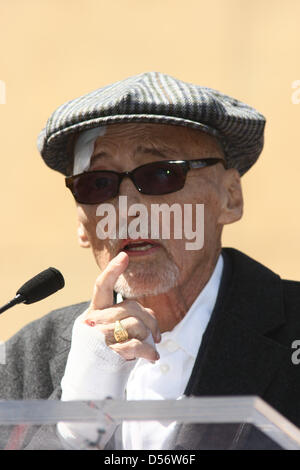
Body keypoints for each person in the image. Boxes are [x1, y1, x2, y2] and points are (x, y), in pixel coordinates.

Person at [1, 71, 300, 450]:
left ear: (230, 197)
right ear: (81, 223)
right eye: (98, 183)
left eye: (161, 174)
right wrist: (72, 432)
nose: (127, 210)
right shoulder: (28, 355)